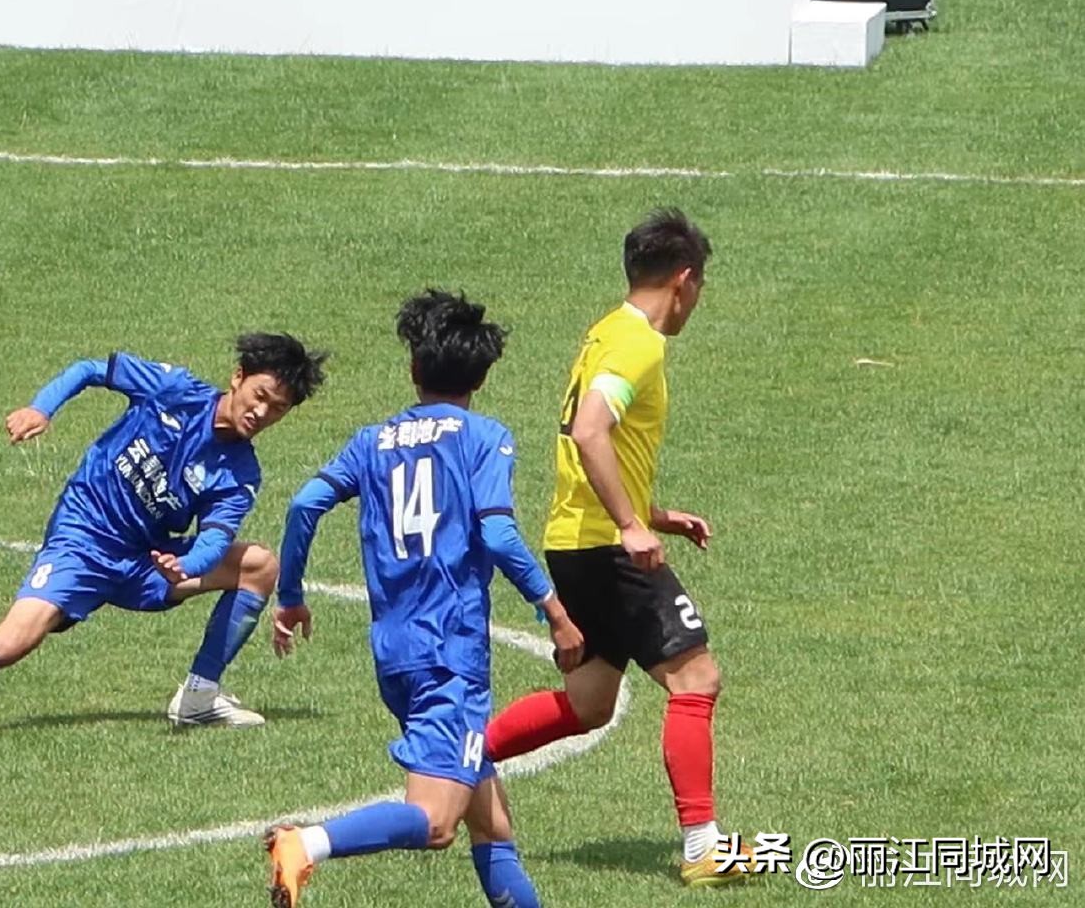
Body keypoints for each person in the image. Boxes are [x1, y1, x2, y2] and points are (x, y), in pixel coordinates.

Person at [0, 334, 328, 736]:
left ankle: (199, 698)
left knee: (260, 565)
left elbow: (216, 540)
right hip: (84, 537)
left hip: (144, 563)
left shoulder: (240, 473)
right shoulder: (174, 389)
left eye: (278, 409)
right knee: (11, 643)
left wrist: (189, 566)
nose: (262, 413)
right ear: (238, 378)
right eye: (260, 396)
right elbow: (92, 368)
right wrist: (41, 408)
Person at [265, 289, 583, 908]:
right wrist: (555, 611)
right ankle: (306, 844)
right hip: (451, 656)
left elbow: (305, 504)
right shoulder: (484, 437)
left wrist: (292, 595)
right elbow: (496, 533)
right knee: (437, 822)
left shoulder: (372, 442)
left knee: (490, 823)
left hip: (396, 653)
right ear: (483, 375)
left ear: (414, 369)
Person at [484, 207, 753, 886]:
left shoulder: (602, 332)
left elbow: (599, 448)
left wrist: (656, 515)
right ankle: (703, 849)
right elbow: (589, 431)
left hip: (574, 541)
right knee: (696, 678)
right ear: (684, 281)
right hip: (606, 546)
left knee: (589, 700)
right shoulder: (639, 345)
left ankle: (457, 762)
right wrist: (633, 529)